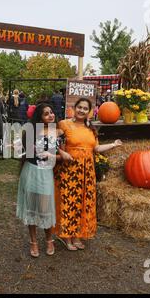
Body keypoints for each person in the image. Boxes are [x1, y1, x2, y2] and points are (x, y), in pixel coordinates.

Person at [54, 98, 122, 250]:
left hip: (87, 172)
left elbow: (96, 149)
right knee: (69, 202)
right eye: (79, 107)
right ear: (74, 107)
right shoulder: (64, 124)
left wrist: (113, 145)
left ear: (89, 112)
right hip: (69, 170)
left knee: (82, 204)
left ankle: (77, 234)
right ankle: (66, 236)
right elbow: (54, 143)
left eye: (85, 108)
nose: (82, 111)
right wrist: (61, 152)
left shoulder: (91, 128)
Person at [16, 103, 69, 257]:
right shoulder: (32, 131)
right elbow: (24, 151)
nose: (51, 115)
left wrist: (52, 155)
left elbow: (63, 156)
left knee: (45, 208)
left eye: (51, 112)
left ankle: (49, 240)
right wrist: (19, 147)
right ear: (39, 117)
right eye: (46, 113)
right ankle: (33, 242)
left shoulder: (59, 133)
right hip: (31, 172)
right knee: (32, 207)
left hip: (46, 173)